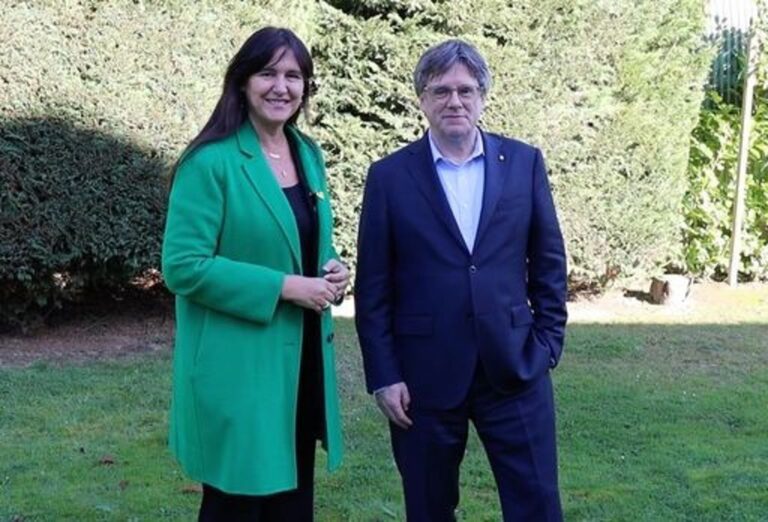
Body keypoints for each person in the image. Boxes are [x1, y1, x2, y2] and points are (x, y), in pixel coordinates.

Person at [355, 39, 568, 521]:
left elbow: (549, 262)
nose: (454, 101)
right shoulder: (389, 176)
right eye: (441, 91)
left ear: (482, 96)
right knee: (429, 509)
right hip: (422, 378)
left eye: (465, 90)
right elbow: (373, 288)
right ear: (422, 99)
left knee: (537, 505)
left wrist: (548, 343)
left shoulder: (524, 163)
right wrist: (384, 375)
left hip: (515, 367)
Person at [162, 26, 349, 521]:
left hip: (300, 365)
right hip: (238, 371)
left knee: (292, 506)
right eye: (268, 73)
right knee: (238, 507)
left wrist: (331, 268)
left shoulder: (307, 153)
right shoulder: (210, 162)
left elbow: (305, 237)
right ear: (242, 81)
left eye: (293, 76)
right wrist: (285, 287)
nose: (281, 87)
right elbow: (183, 266)